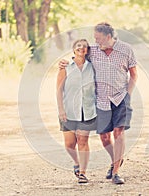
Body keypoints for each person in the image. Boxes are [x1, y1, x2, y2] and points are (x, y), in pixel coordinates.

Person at [59, 22, 138, 184]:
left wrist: (127, 95)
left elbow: (134, 74)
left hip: (120, 98)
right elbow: (77, 57)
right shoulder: (93, 50)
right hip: (101, 101)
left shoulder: (126, 49)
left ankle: (116, 172)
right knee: (104, 137)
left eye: (98, 38)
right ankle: (115, 159)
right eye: (94, 38)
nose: (96, 41)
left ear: (108, 37)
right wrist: (64, 62)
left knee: (118, 133)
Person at [56, 39, 96, 184]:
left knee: (83, 141)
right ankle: (76, 162)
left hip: (87, 110)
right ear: (73, 50)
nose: (82, 48)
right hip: (68, 110)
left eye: (85, 47)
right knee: (69, 145)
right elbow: (59, 90)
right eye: (79, 46)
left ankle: (83, 173)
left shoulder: (92, 67)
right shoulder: (65, 67)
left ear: (87, 51)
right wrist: (61, 110)